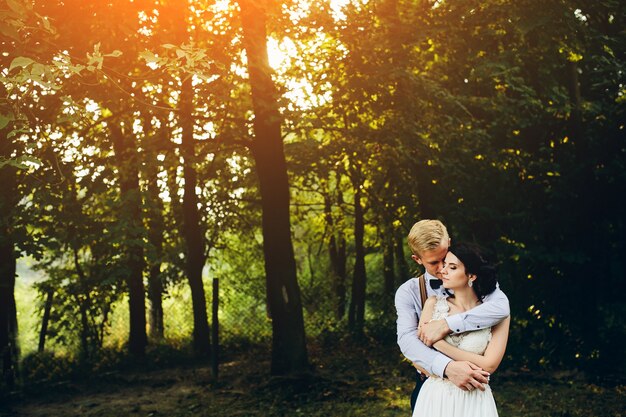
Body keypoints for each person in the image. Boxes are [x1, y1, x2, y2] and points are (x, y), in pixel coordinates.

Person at [395, 220, 510, 411]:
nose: (442, 268)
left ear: (449, 242)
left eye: (445, 258)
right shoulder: (410, 292)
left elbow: (501, 308)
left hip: (474, 393)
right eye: (434, 262)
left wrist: (447, 324)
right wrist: (448, 369)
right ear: (417, 259)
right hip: (431, 388)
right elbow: (408, 342)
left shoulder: (481, 283)